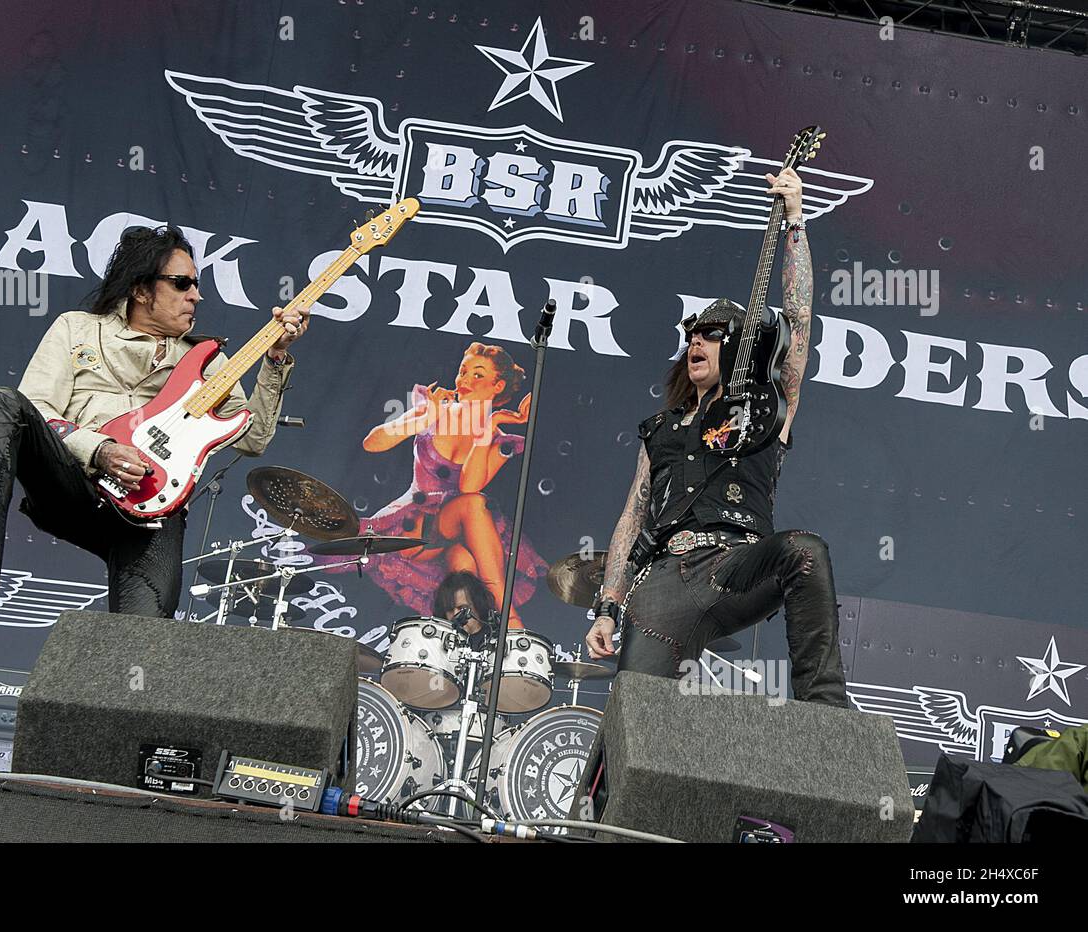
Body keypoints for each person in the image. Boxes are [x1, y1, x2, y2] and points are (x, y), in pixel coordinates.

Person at [0, 224, 308, 618]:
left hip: (152, 507)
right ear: (142, 290)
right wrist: (100, 450)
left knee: (140, 639)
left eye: (197, 285)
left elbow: (251, 440)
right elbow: (35, 409)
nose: (195, 295)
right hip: (72, 484)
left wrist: (275, 361)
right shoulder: (77, 329)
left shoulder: (207, 359)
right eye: (182, 283)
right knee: (0, 402)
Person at [584, 168, 847, 707]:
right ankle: (604, 794)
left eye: (711, 336)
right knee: (634, 715)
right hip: (664, 580)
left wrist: (796, 219)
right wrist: (609, 604)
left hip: (738, 565)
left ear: (736, 350)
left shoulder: (766, 408)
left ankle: (826, 715)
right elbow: (633, 515)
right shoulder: (661, 429)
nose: (696, 342)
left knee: (804, 551)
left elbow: (798, 321)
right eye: (692, 336)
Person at [354, 342, 547, 627]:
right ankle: (512, 623)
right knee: (474, 505)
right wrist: (422, 420)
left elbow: (470, 484)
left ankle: (466, 651)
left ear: (498, 386)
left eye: (478, 375)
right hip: (414, 528)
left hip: (455, 536)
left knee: (465, 565)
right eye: (463, 371)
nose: (465, 380)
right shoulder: (435, 409)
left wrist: (490, 426)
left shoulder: (498, 440)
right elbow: (372, 443)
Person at [432, 569, 499, 651]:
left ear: (478, 605)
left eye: (462, 608)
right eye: (449, 609)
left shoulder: (495, 641)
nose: (455, 614)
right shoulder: (438, 643)